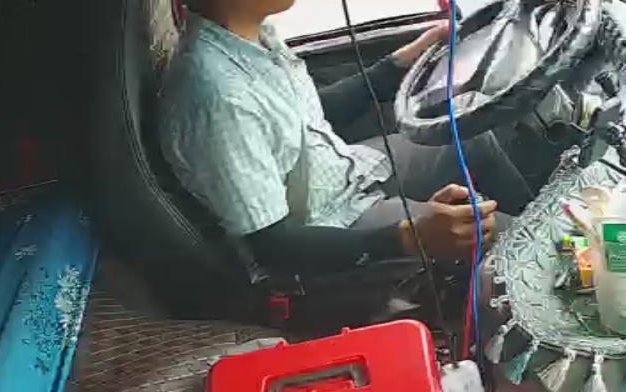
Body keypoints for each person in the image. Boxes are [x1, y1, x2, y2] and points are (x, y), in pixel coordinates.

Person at [159, 0, 532, 286]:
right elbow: (271, 248)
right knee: (509, 240)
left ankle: (542, 216)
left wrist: (395, 67)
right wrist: (409, 237)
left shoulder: (251, 39)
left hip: (344, 170)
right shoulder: (217, 95)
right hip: (328, 228)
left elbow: (299, 117)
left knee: (468, 138)